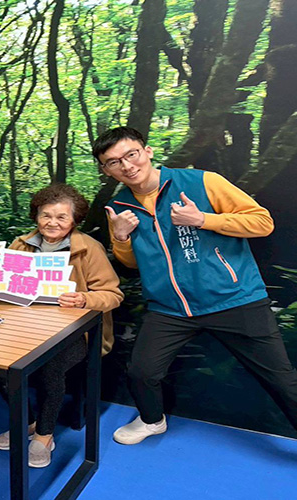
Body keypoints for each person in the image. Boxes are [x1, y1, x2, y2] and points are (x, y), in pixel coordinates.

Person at [96, 126, 297, 445]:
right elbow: (133, 264)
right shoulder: (118, 207)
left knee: (282, 380)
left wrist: (203, 220)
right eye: (114, 162)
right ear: (106, 170)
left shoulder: (203, 182)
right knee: (142, 372)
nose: (127, 165)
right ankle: (152, 420)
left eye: (131, 154)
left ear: (147, 151)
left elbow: (262, 222)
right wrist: (120, 237)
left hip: (234, 299)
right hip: (170, 309)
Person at [0, 184, 123, 467]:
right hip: (25, 327)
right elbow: (1, 281)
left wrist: (83, 299)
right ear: (36, 216)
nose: (52, 222)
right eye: (45, 215)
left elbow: (113, 295)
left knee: (51, 364)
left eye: (62, 217)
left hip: (75, 332)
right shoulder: (21, 244)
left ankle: (44, 435)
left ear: (74, 219)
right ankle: (27, 422)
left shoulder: (89, 249)